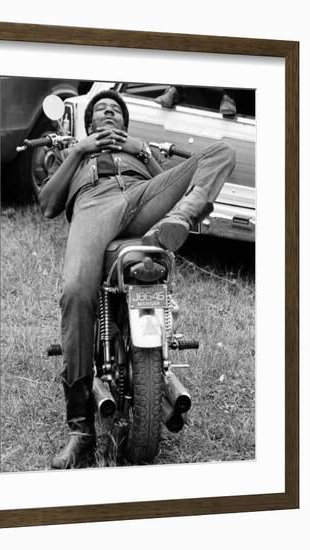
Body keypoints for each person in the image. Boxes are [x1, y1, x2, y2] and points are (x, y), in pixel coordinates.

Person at [38, 89, 236, 469]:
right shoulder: (73, 155)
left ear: (124, 124)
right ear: (90, 123)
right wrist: (81, 150)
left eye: (116, 111)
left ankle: (177, 222)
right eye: (101, 111)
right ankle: (80, 432)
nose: (109, 113)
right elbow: (48, 204)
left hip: (143, 199)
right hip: (93, 206)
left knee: (221, 151)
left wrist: (142, 150)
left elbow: (174, 182)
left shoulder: (139, 153)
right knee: (76, 295)